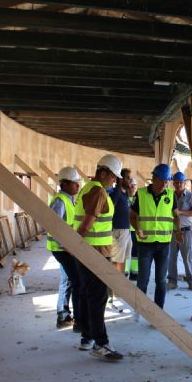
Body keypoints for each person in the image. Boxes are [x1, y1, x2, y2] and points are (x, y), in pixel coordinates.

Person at [72, 154, 124, 361]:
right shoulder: (98, 192)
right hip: (94, 253)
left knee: (88, 294)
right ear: (103, 173)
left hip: (90, 251)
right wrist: (77, 246)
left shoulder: (87, 187)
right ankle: (101, 343)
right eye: (112, 177)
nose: (115, 180)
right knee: (98, 297)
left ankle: (87, 337)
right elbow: (86, 225)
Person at [129, 164, 182, 309]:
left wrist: (178, 231)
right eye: (162, 181)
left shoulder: (170, 195)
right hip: (145, 244)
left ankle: (159, 311)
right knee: (143, 280)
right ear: (154, 179)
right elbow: (132, 216)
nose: (165, 184)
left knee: (161, 280)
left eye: (167, 182)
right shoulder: (140, 194)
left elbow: (176, 216)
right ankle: (140, 309)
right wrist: (137, 228)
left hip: (164, 244)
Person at [47, 166, 82, 329]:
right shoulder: (60, 201)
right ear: (66, 184)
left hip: (66, 248)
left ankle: (63, 316)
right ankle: (77, 320)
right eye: (75, 183)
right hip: (62, 249)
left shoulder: (68, 200)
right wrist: (66, 245)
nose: (78, 186)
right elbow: (53, 226)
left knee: (67, 279)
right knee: (77, 281)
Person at [168, 171, 192, 291]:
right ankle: (172, 280)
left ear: (185, 183)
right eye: (176, 182)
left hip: (186, 231)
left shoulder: (191, 196)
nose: (178, 184)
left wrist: (180, 212)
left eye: (181, 182)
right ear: (173, 183)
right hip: (173, 231)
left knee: (188, 256)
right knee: (171, 256)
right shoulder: (170, 196)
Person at [108, 168, 133, 304]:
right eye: (128, 178)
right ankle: (115, 289)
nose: (130, 180)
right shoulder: (116, 194)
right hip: (117, 231)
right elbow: (110, 211)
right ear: (121, 179)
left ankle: (120, 286)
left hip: (126, 231)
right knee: (116, 261)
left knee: (123, 260)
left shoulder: (124, 194)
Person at [126, 178, 139, 281]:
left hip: (135, 230)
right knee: (126, 253)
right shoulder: (124, 198)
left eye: (133, 186)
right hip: (125, 231)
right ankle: (125, 273)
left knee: (135, 253)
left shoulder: (139, 199)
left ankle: (134, 273)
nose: (132, 188)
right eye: (130, 186)